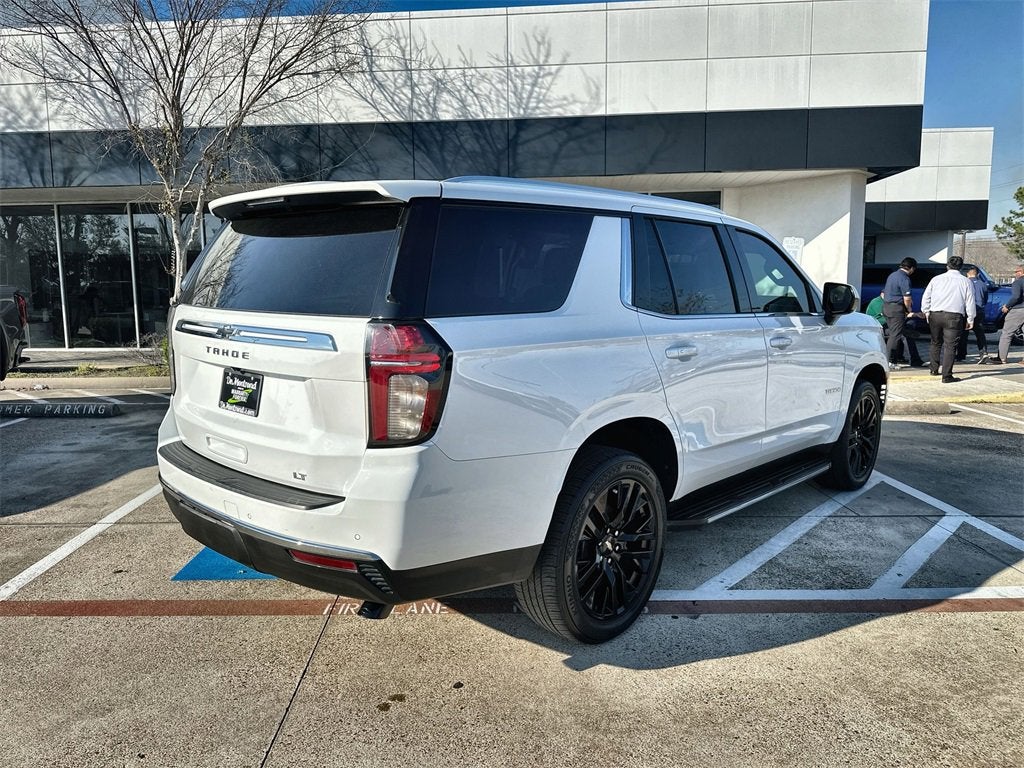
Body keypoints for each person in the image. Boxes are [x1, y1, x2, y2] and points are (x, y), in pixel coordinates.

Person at [921, 254, 975, 383]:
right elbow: (970, 302)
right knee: (950, 346)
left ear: (947, 266)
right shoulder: (966, 281)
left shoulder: (936, 279)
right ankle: (946, 375)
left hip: (935, 314)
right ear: (961, 267)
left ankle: (933, 369)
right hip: (954, 316)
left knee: (935, 342)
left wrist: (926, 311)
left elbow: (926, 296)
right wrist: (971, 318)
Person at [881, 258, 922, 369]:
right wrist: (908, 309)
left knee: (894, 333)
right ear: (912, 268)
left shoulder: (892, 275)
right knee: (895, 335)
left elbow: (884, 294)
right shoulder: (904, 278)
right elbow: (907, 298)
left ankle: (894, 358)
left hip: (886, 307)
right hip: (896, 309)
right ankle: (889, 361)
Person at [866, 292, 924, 367]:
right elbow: (887, 318)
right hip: (880, 326)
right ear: (882, 294)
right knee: (902, 333)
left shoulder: (890, 302)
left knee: (908, 326)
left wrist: (913, 313)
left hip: (891, 324)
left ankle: (903, 357)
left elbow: (901, 314)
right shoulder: (877, 302)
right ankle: (909, 359)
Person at [984, 264, 1024, 365]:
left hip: (1018, 310)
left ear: (1021, 272)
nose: (1015, 274)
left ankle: (1001, 358)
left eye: (1016, 272)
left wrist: (1007, 306)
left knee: (1007, 334)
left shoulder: (1018, 283)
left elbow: (1016, 297)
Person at [957, 267, 989, 361]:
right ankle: (983, 353)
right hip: (979, 311)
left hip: (967, 311)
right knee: (980, 333)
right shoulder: (983, 285)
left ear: (967, 274)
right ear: (978, 274)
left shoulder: (964, 283)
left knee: (963, 334)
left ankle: (961, 355)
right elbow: (985, 299)